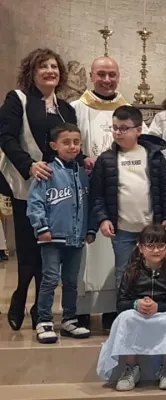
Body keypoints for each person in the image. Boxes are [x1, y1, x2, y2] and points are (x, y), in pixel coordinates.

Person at [0, 48, 79, 331]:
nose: (50, 71)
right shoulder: (17, 99)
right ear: (31, 72)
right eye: (43, 66)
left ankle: (39, 307)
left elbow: (70, 145)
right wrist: (29, 165)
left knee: (49, 250)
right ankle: (20, 296)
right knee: (28, 249)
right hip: (27, 184)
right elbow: (6, 137)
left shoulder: (66, 109)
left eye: (54, 66)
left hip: (58, 192)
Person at [90, 105, 166, 323]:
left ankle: (156, 317)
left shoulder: (153, 156)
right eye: (115, 128)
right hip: (123, 230)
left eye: (124, 128)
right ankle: (126, 319)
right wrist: (103, 219)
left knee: (156, 273)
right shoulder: (106, 159)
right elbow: (97, 195)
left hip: (151, 229)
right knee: (124, 274)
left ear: (138, 130)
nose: (118, 133)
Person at [71, 56, 132, 330]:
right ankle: (81, 308)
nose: (107, 80)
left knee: (114, 249)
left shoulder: (128, 111)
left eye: (112, 74)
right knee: (87, 247)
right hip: (85, 188)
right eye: (101, 74)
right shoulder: (76, 109)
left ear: (118, 76)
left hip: (119, 190)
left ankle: (111, 307)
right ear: (91, 76)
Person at [96, 224, 166, 392]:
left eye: (160, 246)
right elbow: (121, 303)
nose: (156, 250)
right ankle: (131, 368)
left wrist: (159, 307)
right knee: (125, 318)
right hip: (139, 314)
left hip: (162, 314)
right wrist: (136, 304)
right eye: (150, 246)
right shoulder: (132, 270)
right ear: (141, 248)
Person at [26, 123, 95, 343]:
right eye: (66, 142)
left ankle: (69, 319)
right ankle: (44, 320)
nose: (72, 146)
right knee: (50, 279)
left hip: (77, 237)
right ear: (54, 145)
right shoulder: (46, 171)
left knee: (72, 281)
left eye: (76, 142)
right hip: (52, 237)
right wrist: (41, 227)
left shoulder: (83, 174)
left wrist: (90, 229)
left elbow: (89, 204)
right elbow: (35, 203)